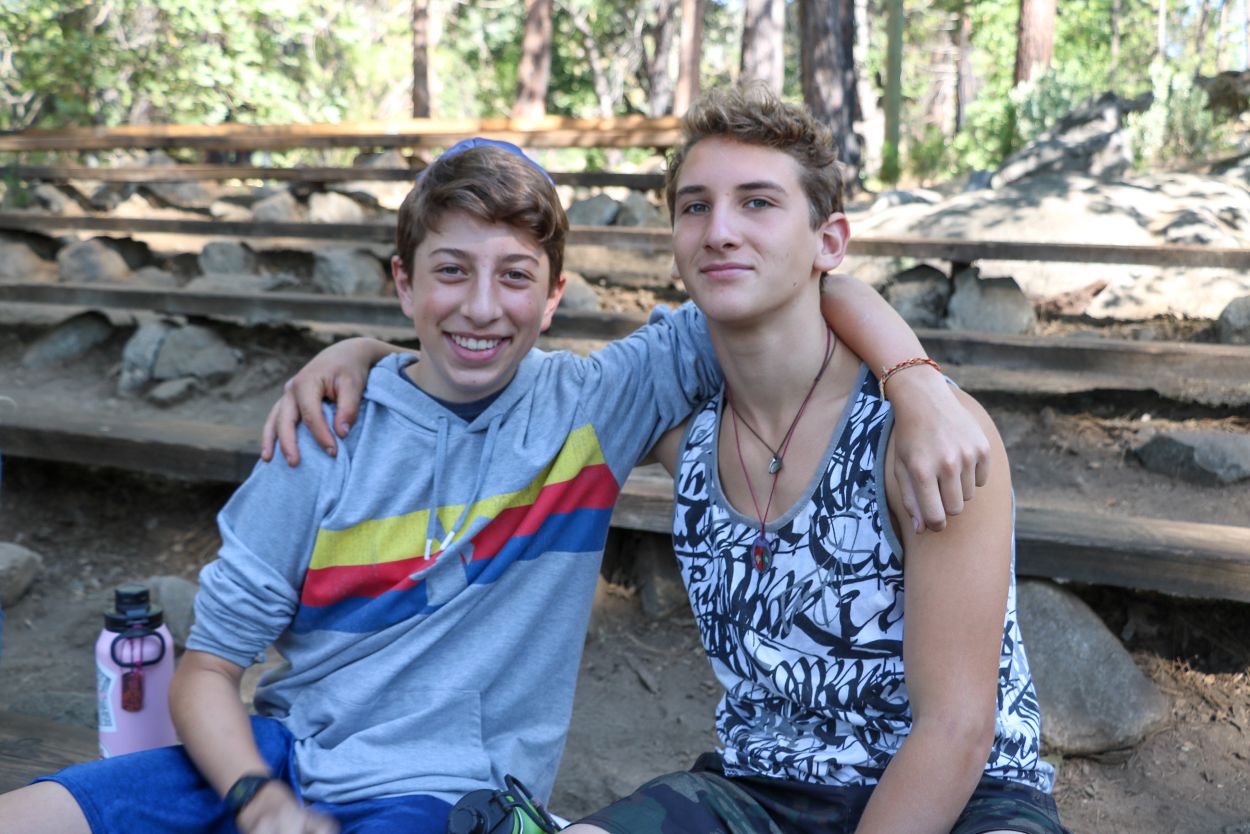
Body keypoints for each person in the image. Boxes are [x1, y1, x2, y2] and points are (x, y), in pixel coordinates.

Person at [0, 134, 982, 834]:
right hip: (278, 756)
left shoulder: (596, 402)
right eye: (450, 272)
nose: (480, 307)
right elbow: (208, 671)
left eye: (514, 277)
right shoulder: (325, 431)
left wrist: (913, 379)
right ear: (402, 284)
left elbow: (807, 281)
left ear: (554, 298)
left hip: (444, 791)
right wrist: (259, 801)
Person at [553, 87, 1066, 833]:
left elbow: (957, 730)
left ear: (828, 242)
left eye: (758, 202)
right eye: (695, 206)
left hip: (966, 798)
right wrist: (381, 362)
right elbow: (505, 395)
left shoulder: (923, 437)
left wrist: (911, 379)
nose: (719, 230)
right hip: (761, 790)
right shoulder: (688, 444)